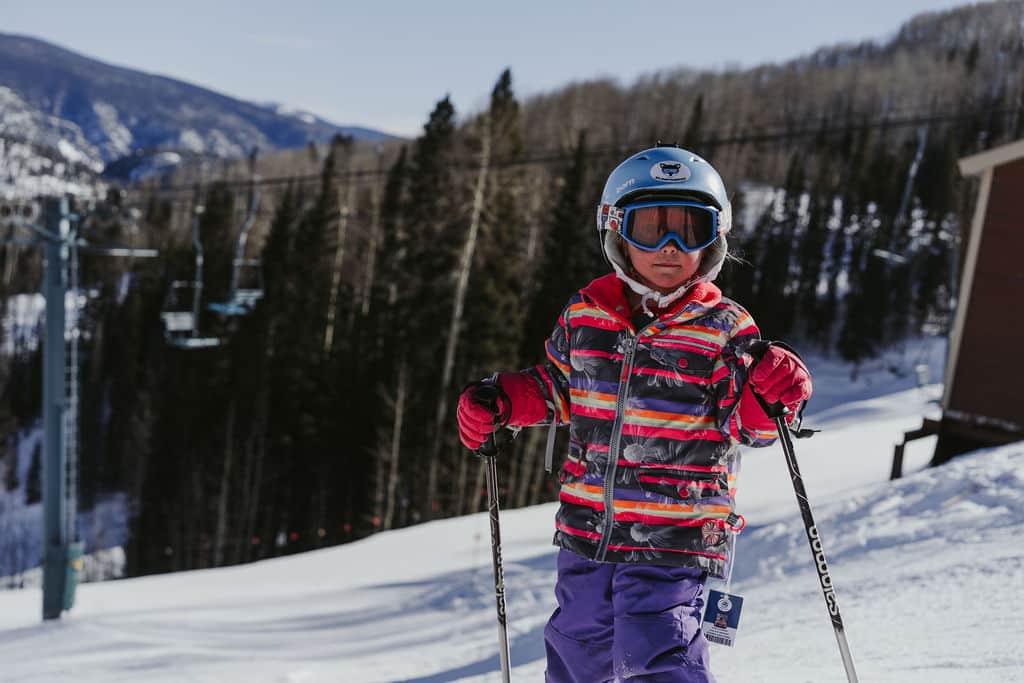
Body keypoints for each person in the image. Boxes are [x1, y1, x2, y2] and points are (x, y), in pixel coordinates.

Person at [457, 145, 813, 683]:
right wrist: (502, 401)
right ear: (617, 231)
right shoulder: (586, 315)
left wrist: (775, 392)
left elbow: (748, 425)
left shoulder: (723, 329)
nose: (670, 247)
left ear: (714, 238)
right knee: (577, 653)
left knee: (658, 658)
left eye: (689, 230)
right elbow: (557, 387)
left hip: (676, 538)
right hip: (587, 534)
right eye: (651, 228)